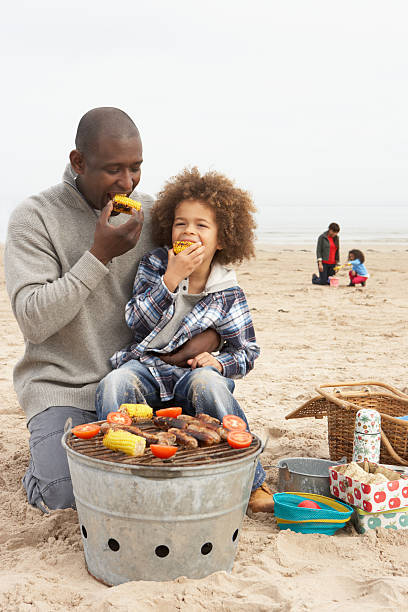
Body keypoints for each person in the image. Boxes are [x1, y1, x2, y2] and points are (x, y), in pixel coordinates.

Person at [4, 107, 218, 513]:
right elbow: (33, 320)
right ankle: (41, 468)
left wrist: (207, 341)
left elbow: (208, 292)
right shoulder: (34, 219)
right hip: (65, 387)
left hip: (139, 383)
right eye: (113, 170)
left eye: (136, 168)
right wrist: (99, 254)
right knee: (65, 500)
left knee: (189, 473)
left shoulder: (154, 214)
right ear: (78, 162)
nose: (127, 183)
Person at [95, 167, 275, 513]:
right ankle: (119, 481)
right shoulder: (154, 265)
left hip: (192, 376)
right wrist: (170, 278)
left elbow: (247, 351)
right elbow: (136, 321)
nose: (189, 231)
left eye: (201, 225)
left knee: (210, 383)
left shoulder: (228, 292)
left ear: (222, 239)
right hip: (147, 368)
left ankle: (251, 482)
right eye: (181, 223)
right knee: (115, 382)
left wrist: (220, 361)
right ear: (170, 229)